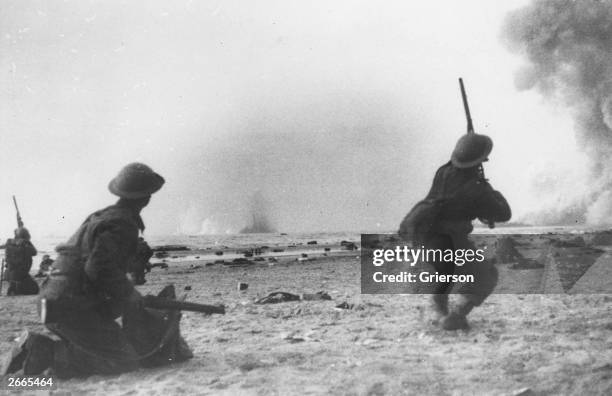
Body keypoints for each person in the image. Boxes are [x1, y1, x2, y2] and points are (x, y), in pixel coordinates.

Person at [1, 163, 192, 378]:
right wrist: (130, 294)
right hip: (71, 305)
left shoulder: (102, 216)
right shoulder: (123, 223)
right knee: (124, 362)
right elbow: (99, 268)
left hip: (53, 298)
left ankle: (42, 348)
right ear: (146, 197)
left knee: (111, 344)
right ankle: (44, 352)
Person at [399, 133, 511, 330]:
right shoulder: (477, 188)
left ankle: (438, 310)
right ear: (480, 159)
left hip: (425, 238)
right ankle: (456, 315)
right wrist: (488, 187)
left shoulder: (443, 172)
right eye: (485, 157)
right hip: (451, 242)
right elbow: (502, 213)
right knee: (486, 275)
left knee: (447, 275)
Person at [1, 227, 38, 295]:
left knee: (29, 286)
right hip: (20, 271)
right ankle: (15, 289)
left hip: (9, 271)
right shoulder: (25, 243)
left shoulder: (9, 242)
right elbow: (34, 252)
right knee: (34, 289)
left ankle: (14, 289)